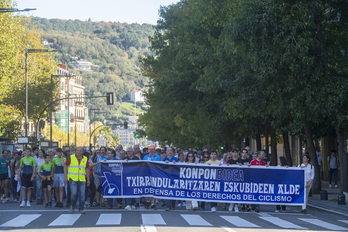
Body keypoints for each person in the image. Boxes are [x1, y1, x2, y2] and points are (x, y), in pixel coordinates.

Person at [63, 147, 90, 214]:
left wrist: (88, 179)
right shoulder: (71, 157)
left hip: (82, 179)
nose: (79, 152)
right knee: (74, 194)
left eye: (80, 151)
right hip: (73, 179)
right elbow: (65, 166)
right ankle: (72, 205)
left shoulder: (85, 158)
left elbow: (87, 168)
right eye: (78, 150)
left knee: (82, 195)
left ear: (83, 152)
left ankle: (80, 209)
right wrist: (65, 176)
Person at [143, 145, 161, 210]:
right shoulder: (145, 157)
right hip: (147, 175)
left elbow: (161, 165)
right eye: (150, 149)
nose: (151, 150)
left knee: (154, 189)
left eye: (153, 149)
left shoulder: (158, 157)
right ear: (148, 150)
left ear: (155, 150)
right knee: (147, 188)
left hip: (155, 175)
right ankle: (148, 201)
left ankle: (153, 203)